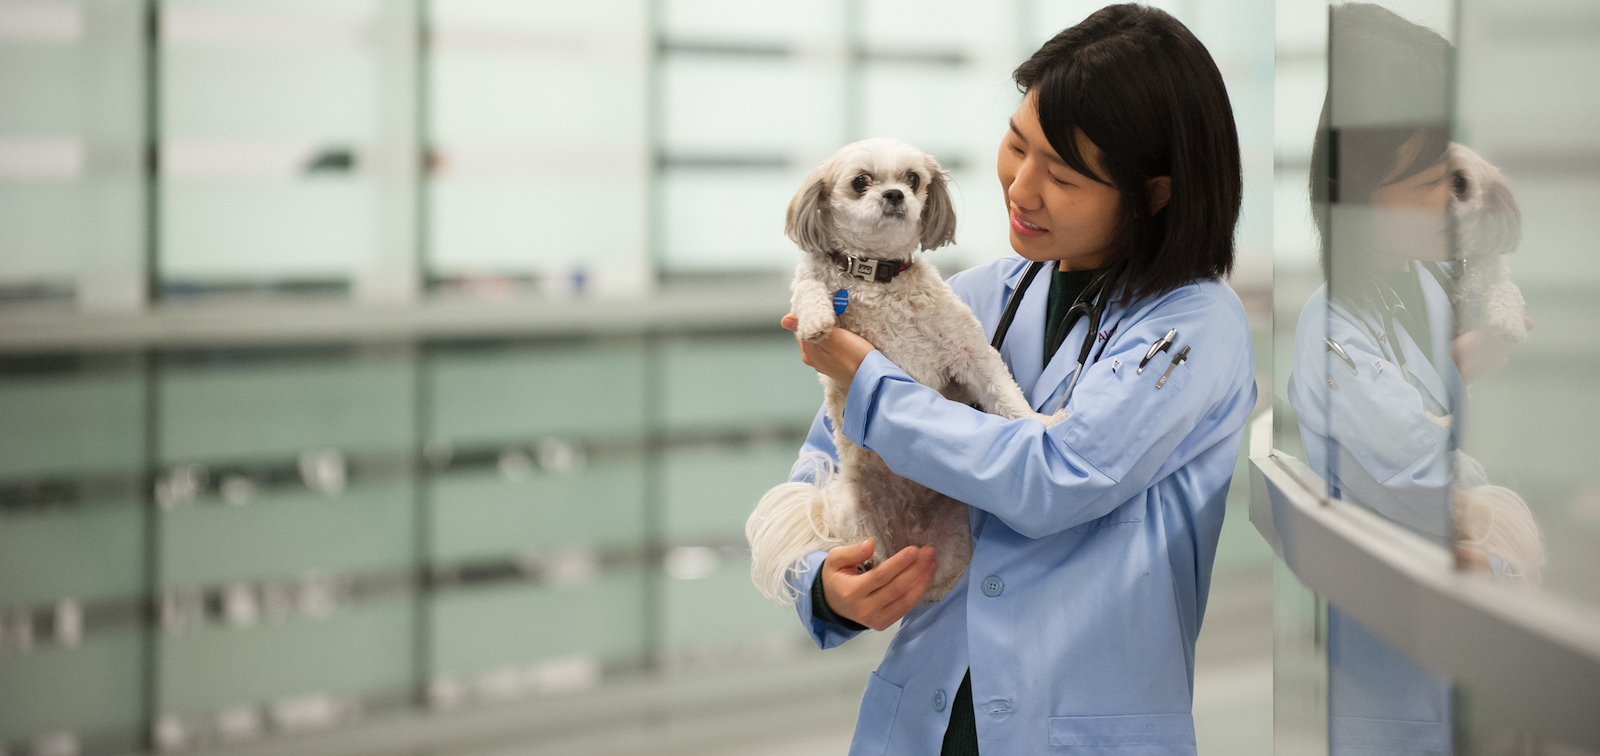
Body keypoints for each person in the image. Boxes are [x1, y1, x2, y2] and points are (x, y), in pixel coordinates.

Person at [773, 5, 1256, 754]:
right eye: (1016, 144)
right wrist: (824, 586)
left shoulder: (1194, 329)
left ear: (1153, 192)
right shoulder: (977, 294)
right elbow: (828, 461)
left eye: (1062, 175)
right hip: (926, 721)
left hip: (1079, 730)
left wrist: (868, 379)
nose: (1021, 188)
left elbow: (1055, 476)